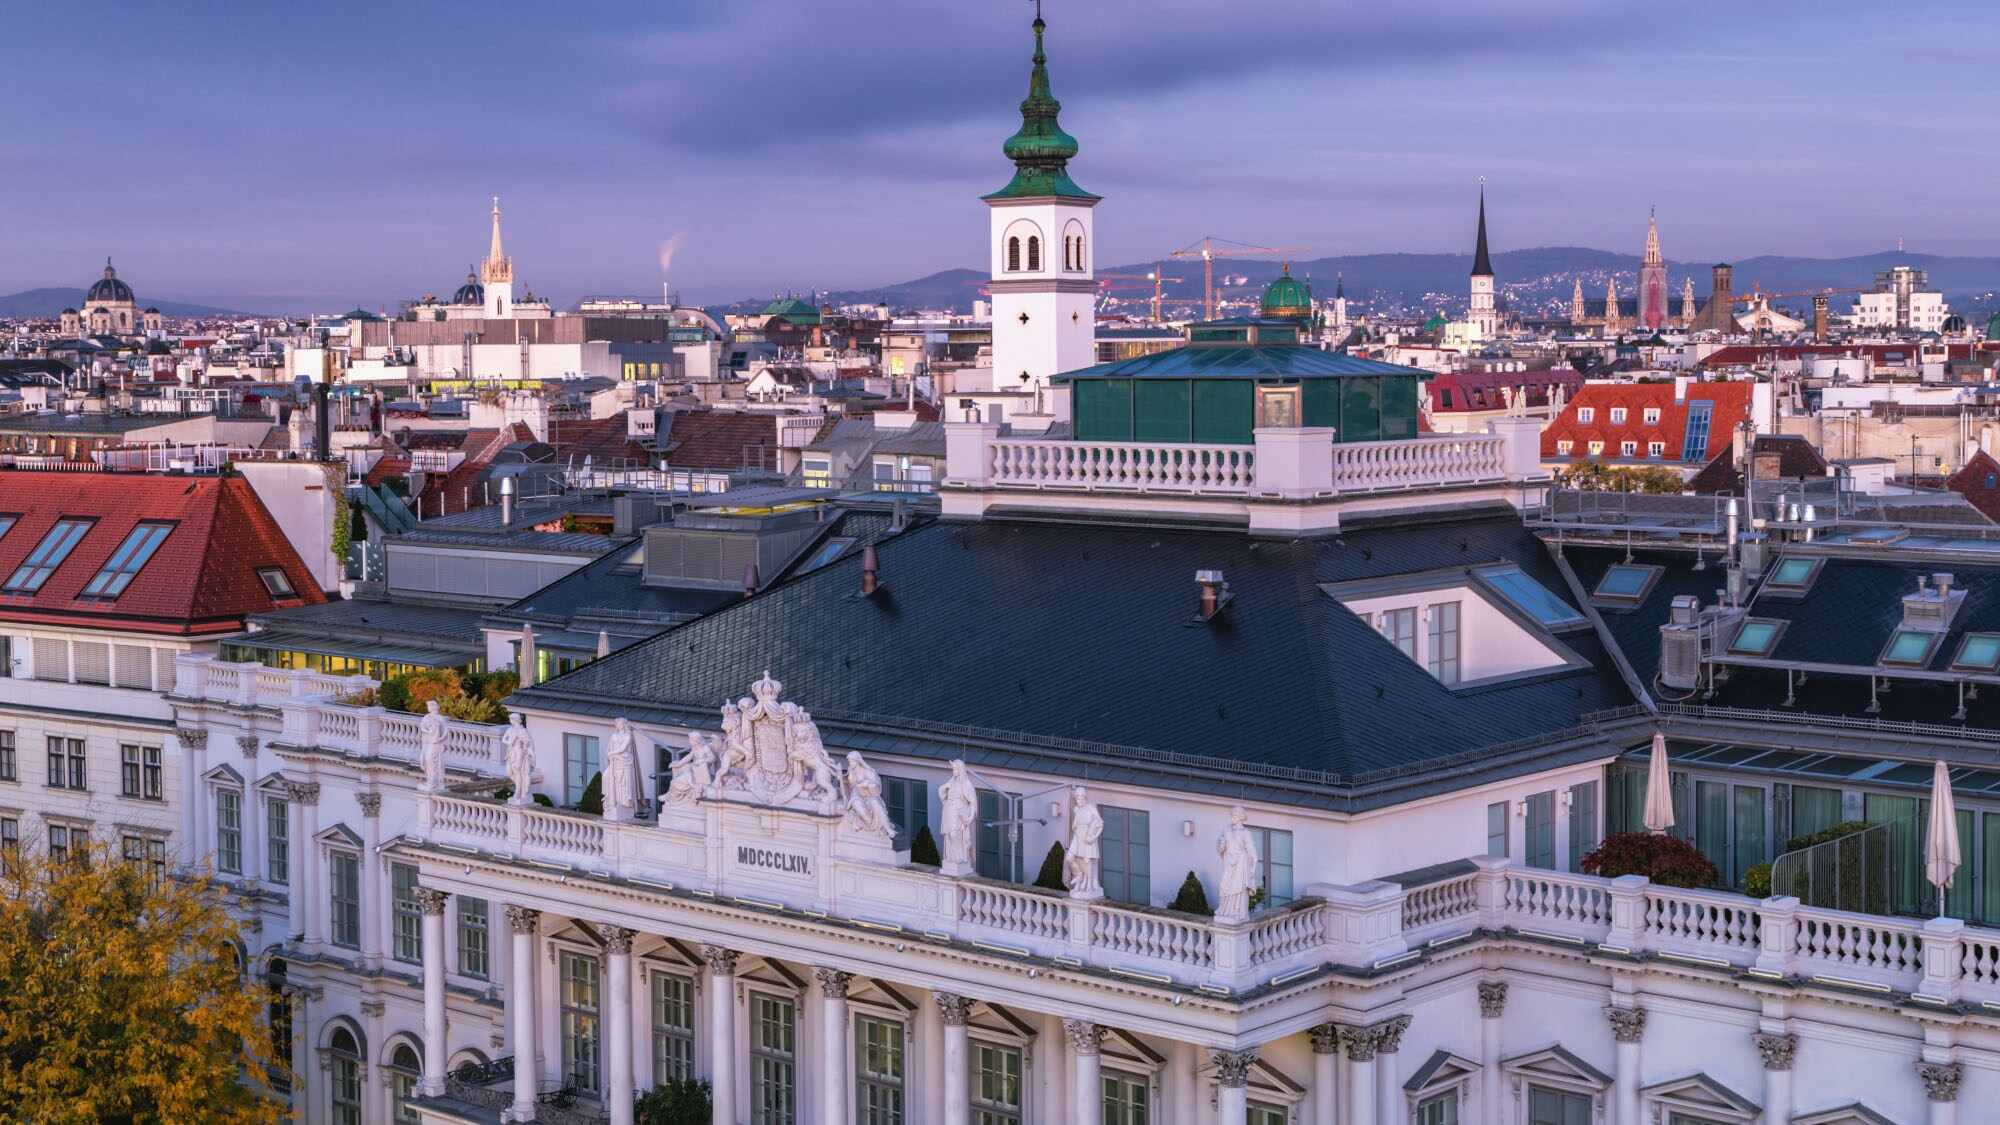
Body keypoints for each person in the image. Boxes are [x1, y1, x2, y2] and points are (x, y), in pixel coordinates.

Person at [1216, 805, 1260, 923]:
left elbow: (1253, 854)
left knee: (1239, 889)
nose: (1232, 818)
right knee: (1223, 885)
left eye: (1235, 816)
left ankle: (1237, 912)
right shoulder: (1227, 830)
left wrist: (1252, 871)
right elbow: (1221, 849)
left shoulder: (1246, 833)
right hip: (1229, 864)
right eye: (1232, 815)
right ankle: (1224, 911)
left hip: (1241, 864)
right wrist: (1222, 846)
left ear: (1240, 817)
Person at [1063, 786, 1105, 897]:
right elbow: (1075, 822)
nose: (1080, 801)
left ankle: (1090, 884)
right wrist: (1074, 825)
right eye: (1078, 799)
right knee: (1069, 858)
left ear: (1085, 797)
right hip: (1078, 837)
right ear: (1076, 798)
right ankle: (1079, 874)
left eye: (1082, 798)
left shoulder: (1091, 809)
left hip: (1087, 837)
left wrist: (1094, 836)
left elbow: (1100, 824)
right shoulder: (1076, 808)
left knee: (1087, 861)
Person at [937, 759, 978, 872]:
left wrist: (970, 816)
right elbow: (941, 792)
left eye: (955, 769)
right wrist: (946, 786)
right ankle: (952, 858)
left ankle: (961, 856)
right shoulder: (952, 781)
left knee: (955, 833)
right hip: (949, 811)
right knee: (949, 834)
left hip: (958, 812)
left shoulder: (967, 784)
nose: (954, 771)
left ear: (960, 769)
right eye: (953, 769)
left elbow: (973, 802)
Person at [841, 751, 892, 837]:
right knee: (859, 809)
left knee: (877, 806)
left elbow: (876, 781)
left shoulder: (866, 771)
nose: (850, 763)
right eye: (849, 761)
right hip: (856, 796)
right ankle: (870, 826)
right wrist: (841, 777)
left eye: (852, 761)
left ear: (858, 760)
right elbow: (847, 781)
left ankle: (887, 828)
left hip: (868, 795)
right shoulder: (850, 769)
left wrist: (868, 782)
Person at [604, 717, 639, 818]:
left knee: (623, 782)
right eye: (617, 724)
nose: (619, 726)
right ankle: (611, 799)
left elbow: (623, 748)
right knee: (606, 776)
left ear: (624, 725)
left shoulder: (629, 735)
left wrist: (612, 752)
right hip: (614, 759)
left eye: (621, 724)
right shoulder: (614, 735)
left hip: (624, 760)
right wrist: (609, 753)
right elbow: (610, 747)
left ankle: (624, 802)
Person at [502, 713, 536, 806]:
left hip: (518, 752)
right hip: (511, 752)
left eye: (511, 719)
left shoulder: (522, 731)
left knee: (518, 771)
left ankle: (518, 793)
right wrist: (509, 742)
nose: (510, 721)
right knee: (509, 772)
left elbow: (528, 742)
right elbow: (503, 739)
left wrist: (526, 747)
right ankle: (520, 787)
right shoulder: (509, 729)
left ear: (515, 720)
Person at [417, 700, 447, 792]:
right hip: (428, 741)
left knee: (430, 758)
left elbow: (446, 730)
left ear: (433, 707)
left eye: (429, 706)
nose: (427, 708)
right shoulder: (427, 717)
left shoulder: (440, 718)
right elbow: (422, 727)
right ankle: (430, 778)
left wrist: (441, 738)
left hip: (435, 743)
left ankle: (434, 779)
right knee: (426, 758)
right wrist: (428, 731)